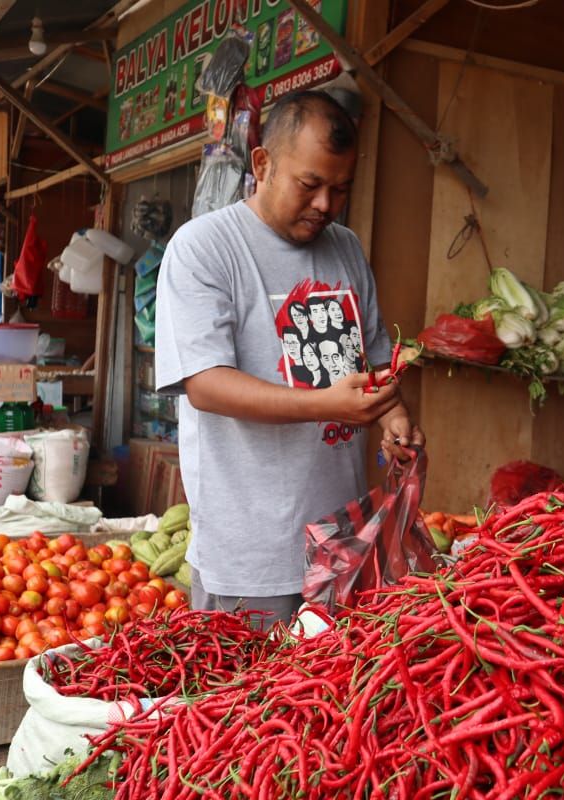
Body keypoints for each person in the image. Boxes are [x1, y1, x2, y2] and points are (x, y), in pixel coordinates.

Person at [155, 90, 424, 628]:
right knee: (241, 708)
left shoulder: (346, 248)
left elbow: (373, 364)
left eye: (340, 189)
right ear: (262, 163)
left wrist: (393, 418)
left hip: (342, 550)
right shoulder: (204, 247)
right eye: (309, 184)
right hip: (250, 561)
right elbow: (205, 383)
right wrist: (324, 404)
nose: (325, 204)